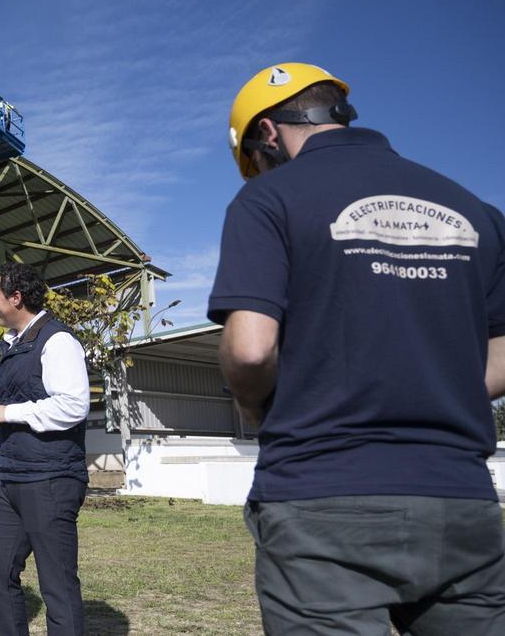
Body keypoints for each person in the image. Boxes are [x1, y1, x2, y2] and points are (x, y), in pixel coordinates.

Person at [211, 62, 505, 634]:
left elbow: (249, 350)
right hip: (461, 501)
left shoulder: (269, 200)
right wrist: (434, 391)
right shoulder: (477, 212)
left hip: (323, 501)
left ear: (267, 133)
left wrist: (253, 407)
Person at [0, 262, 90, 636]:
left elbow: (73, 405)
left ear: (16, 297)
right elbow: (30, 395)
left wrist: (7, 412)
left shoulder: (57, 340)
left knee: (56, 583)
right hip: (13, 477)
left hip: (51, 478)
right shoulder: (13, 344)